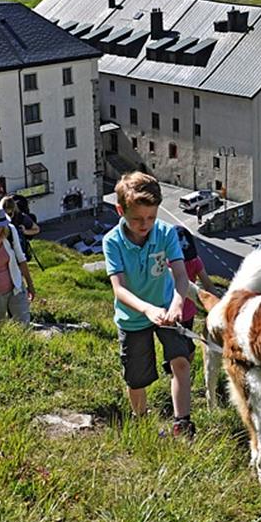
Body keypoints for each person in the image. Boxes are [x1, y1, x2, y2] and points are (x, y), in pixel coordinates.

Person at [103, 172, 195, 438]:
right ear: (120, 210)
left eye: (151, 217)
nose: (146, 224)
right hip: (133, 317)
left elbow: (180, 275)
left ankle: (182, 424)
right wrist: (146, 309)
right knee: (137, 377)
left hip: (166, 310)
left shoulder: (165, 233)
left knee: (181, 362)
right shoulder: (112, 242)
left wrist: (177, 303)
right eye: (137, 219)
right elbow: (119, 289)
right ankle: (142, 421)